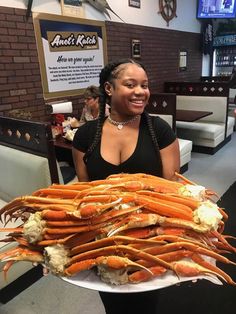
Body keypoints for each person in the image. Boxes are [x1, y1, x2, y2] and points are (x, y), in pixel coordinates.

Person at [72, 58, 180, 314]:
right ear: (109, 89)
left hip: (149, 237)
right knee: (113, 301)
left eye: (145, 85)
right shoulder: (86, 135)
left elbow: (173, 189)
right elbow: (83, 191)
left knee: (145, 303)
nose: (141, 91)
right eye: (131, 84)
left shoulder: (159, 130)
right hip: (103, 237)